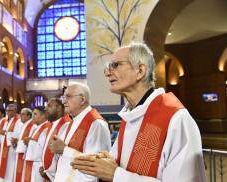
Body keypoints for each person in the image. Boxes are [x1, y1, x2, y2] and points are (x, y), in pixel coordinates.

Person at [71, 42, 206, 181]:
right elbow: (126, 167)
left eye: (115, 65)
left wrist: (115, 174)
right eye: (108, 67)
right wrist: (110, 161)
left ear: (140, 71)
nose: (107, 73)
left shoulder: (176, 118)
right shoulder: (130, 116)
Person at [51, 83, 111, 182]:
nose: (64, 101)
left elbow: (95, 164)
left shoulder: (96, 124)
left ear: (82, 99)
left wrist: (64, 150)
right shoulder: (73, 122)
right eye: (63, 97)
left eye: (68, 97)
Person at [40, 98, 72, 181]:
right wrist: (43, 165)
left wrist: (49, 172)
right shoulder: (52, 124)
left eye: (49, 106)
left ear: (59, 108)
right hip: (48, 174)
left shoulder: (66, 124)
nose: (45, 109)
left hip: (56, 175)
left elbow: (60, 152)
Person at [23, 106, 52, 182]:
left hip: (38, 164)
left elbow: (44, 148)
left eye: (35, 114)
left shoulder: (46, 127)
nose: (33, 116)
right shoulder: (38, 127)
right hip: (33, 162)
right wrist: (29, 142)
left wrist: (30, 142)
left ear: (43, 115)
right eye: (32, 114)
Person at [0, 104, 22, 182]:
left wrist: (5, 132)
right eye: (7, 111)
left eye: (11, 110)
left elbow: (18, 133)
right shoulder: (8, 120)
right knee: (6, 165)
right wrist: (5, 132)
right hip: (5, 145)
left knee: (11, 165)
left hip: (11, 147)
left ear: (15, 111)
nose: (8, 112)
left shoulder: (18, 120)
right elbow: (4, 131)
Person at [14, 108, 34, 182]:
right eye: (20, 114)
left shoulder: (32, 126)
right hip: (20, 152)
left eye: (23, 114)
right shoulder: (24, 125)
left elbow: (29, 140)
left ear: (29, 116)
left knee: (23, 174)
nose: (20, 116)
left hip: (25, 153)